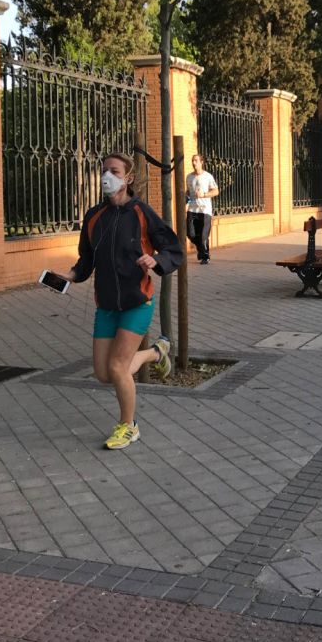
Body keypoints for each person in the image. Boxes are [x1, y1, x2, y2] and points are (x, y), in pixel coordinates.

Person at [54, 152, 183, 450]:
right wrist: (69, 276)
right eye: (103, 171)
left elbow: (173, 248)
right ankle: (156, 353)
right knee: (103, 373)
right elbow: (86, 260)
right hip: (107, 306)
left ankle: (129, 426)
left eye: (113, 171)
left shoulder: (142, 213)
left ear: (128, 178)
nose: (106, 176)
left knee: (117, 368)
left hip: (137, 302)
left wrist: (156, 259)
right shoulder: (94, 216)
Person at [185, 154, 219, 264]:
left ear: (201, 162)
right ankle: (202, 250)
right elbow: (189, 192)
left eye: (196, 160)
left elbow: (216, 191)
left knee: (204, 236)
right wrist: (186, 198)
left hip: (205, 210)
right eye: (192, 160)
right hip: (192, 209)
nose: (194, 163)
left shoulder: (207, 176)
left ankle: (205, 256)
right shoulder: (189, 177)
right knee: (190, 234)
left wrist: (203, 194)